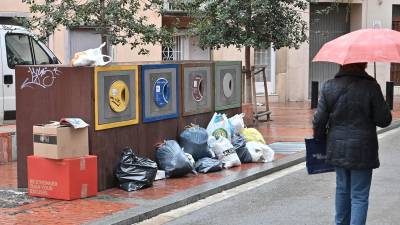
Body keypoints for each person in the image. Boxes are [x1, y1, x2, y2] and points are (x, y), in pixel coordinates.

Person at [312, 62, 392, 225]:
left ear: (341, 64)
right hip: (363, 149)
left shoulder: (329, 86)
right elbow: (384, 120)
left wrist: (319, 139)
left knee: (342, 189)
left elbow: (319, 120)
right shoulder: (371, 86)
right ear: (364, 64)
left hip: (337, 147)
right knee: (359, 195)